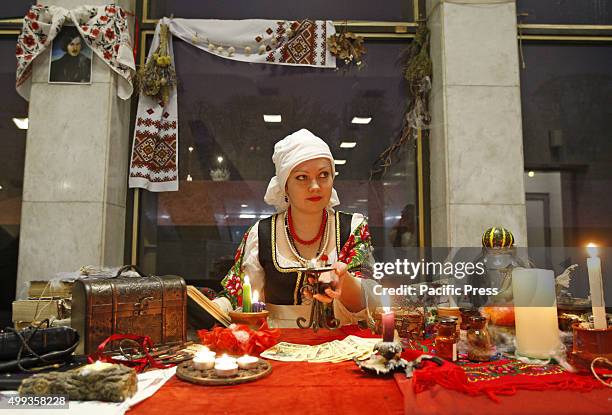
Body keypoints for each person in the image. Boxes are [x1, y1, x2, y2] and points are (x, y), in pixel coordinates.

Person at [213, 129, 379, 328]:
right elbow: (239, 297)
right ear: (285, 186)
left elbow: (372, 302)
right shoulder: (262, 234)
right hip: (276, 349)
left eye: (324, 175)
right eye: (302, 177)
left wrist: (344, 282)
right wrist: (210, 308)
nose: (315, 186)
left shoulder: (352, 228)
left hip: (343, 346)